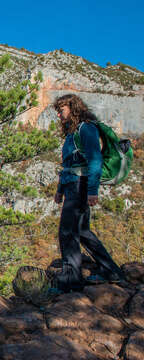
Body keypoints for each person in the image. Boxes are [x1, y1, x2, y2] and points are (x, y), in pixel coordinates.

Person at [53, 94, 124, 292]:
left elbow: (95, 160)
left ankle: (71, 281)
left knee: (67, 232)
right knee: (82, 231)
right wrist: (59, 190)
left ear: (73, 108)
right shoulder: (72, 132)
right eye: (58, 111)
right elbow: (68, 164)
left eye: (62, 110)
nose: (59, 115)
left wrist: (93, 191)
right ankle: (111, 271)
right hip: (72, 185)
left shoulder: (87, 128)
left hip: (80, 186)